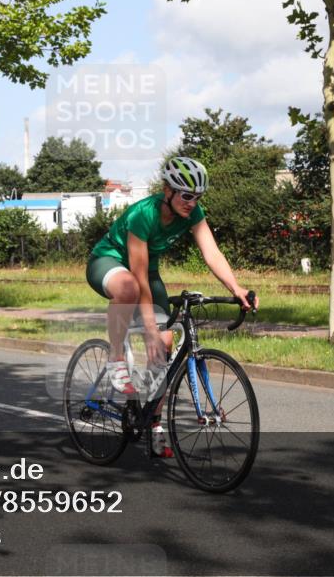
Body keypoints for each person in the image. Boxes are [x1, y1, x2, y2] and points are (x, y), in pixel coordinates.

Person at [86, 156, 257, 457]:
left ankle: (153, 421)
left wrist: (237, 288)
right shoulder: (144, 214)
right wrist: (149, 329)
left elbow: (211, 252)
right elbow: (137, 276)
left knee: (164, 347)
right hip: (110, 261)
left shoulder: (192, 213)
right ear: (167, 190)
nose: (192, 203)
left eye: (197, 197)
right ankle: (115, 358)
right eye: (186, 195)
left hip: (147, 274)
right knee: (128, 290)